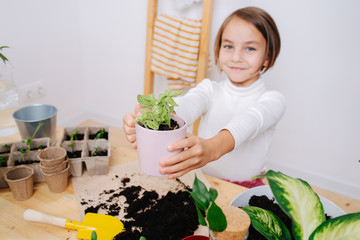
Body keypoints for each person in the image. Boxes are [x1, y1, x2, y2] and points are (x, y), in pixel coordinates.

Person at [123, 7, 285, 187]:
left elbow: (249, 121)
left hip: (244, 187)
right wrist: (156, 115)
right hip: (202, 181)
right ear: (218, 50)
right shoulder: (209, 89)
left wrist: (211, 148)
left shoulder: (273, 100)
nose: (236, 57)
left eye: (250, 48)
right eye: (228, 46)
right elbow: (188, 104)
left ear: (267, 57)